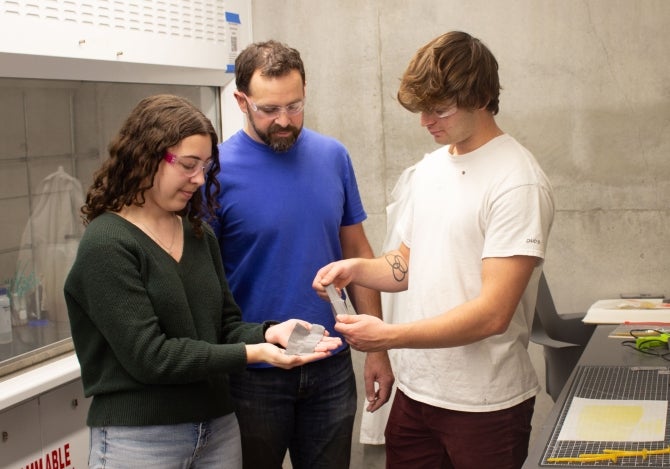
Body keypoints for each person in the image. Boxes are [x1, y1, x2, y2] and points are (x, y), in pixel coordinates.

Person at [313, 31, 555, 469]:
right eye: (421, 109)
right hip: (415, 396)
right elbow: (405, 265)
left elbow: (492, 314)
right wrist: (356, 269)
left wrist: (388, 336)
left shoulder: (517, 180)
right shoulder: (428, 170)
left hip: (486, 406)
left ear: (481, 96)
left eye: (438, 109)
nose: (425, 121)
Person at [64, 94, 341, 469]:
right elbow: (151, 357)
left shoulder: (198, 234)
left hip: (218, 430)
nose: (199, 179)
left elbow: (223, 327)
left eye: (205, 166)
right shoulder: (108, 243)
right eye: (188, 165)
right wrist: (254, 353)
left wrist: (269, 334)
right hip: (141, 440)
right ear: (145, 157)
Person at [211, 40, 394, 469]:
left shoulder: (333, 156)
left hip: (330, 366)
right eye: (269, 109)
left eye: (295, 106)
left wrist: (378, 350)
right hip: (253, 374)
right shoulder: (213, 172)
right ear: (241, 100)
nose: (284, 121)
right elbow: (203, 281)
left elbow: (359, 253)